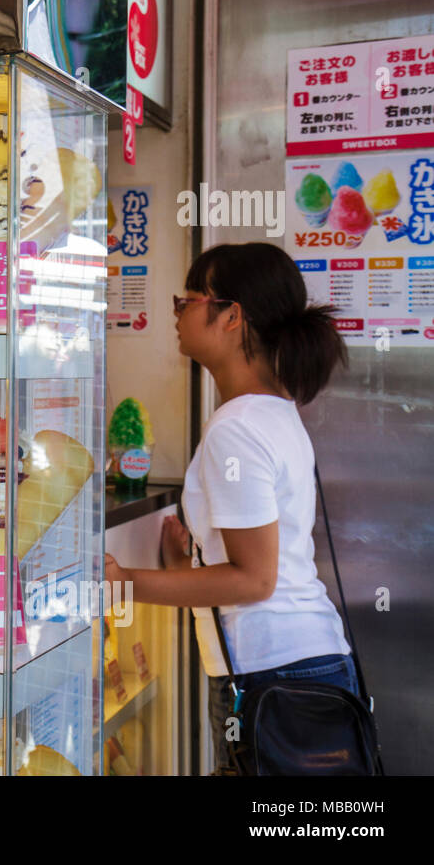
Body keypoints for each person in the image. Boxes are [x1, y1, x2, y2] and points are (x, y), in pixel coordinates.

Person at [104, 242, 354, 774]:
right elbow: (259, 564)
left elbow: (254, 580)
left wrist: (126, 582)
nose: (177, 314)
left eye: (187, 301)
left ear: (231, 315)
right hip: (301, 667)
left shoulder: (236, 428)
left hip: (276, 677)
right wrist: (186, 569)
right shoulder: (272, 413)